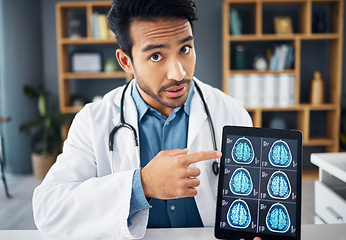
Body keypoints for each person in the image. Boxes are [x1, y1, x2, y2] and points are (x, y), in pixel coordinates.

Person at [33, 0, 260, 239]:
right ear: (126, 62)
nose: (178, 74)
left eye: (185, 49)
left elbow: (251, 208)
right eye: (155, 56)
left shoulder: (230, 113)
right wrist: (141, 185)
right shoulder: (93, 121)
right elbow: (49, 210)